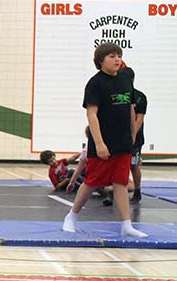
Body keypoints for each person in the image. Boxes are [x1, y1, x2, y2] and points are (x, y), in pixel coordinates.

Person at [62, 43, 147, 238]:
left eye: (119, 55)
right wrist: (99, 143)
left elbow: (130, 107)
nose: (117, 59)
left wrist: (133, 133)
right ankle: (71, 217)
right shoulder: (96, 83)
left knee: (121, 183)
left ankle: (126, 224)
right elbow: (92, 114)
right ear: (101, 61)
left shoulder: (126, 78)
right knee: (91, 181)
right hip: (104, 143)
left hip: (124, 142)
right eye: (111, 56)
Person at [120, 66, 147, 204]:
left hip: (134, 138)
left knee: (133, 164)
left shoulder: (139, 97)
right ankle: (113, 191)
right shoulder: (119, 95)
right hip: (119, 135)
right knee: (118, 164)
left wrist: (133, 135)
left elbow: (139, 119)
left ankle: (137, 191)